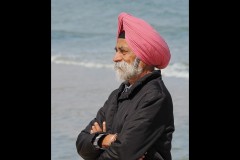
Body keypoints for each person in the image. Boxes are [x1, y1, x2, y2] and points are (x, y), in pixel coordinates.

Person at [76, 12, 174, 160]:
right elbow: (81, 143)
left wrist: (98, 140)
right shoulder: (117, 95)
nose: (115, 58)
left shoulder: (155, 97)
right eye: (116, 51)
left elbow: (122, 154)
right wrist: (104, 140)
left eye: (123, 51)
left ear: (143, 57)